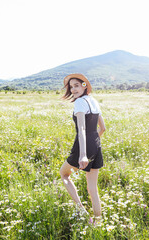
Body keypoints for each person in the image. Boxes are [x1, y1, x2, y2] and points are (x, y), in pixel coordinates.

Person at [59, 73, 106, 224]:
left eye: (76, 85)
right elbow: (103, 128)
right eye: (71, 87)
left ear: (84, 85)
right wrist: (94, 143)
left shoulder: (79, 103)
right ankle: (97, 223)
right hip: (96, 144)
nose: (73, 89)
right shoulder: (94, 101)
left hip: (83, 146)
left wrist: (83, 154)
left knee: (64, 174)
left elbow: (82, 129)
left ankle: (82, 211)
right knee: (92, 188)